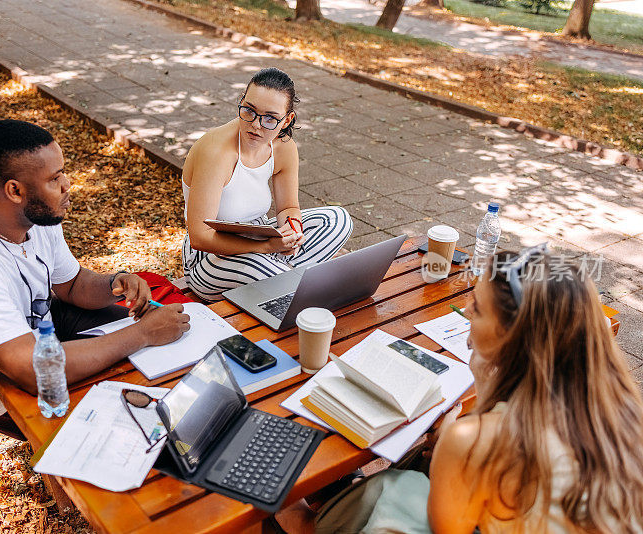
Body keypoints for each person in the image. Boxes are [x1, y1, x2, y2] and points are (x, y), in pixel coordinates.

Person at [308, 245, 643, 533]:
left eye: (478, 309)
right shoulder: (622, 412)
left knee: (395, 488)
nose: (466, 312)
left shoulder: (475, 439)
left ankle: (308, 518)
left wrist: (449, 447)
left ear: (514, 340)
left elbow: (448, 528)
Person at [0, 120, 190, 439]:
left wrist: (116, 282)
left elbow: (72, 285)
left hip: (45, 331)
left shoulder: (35, 219)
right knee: (122, 430)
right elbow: (34, 372)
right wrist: (142, 334)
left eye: (62, 172)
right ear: (15, 191)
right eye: (54, 178)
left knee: (168, 352)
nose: (67, 184)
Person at [181, 67, 352, 301]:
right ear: (241, 103)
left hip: (262, 238)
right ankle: (298, 287)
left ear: (287, 120)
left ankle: (281, 280)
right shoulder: (215, 151)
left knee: (337, 220)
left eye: (270, 118)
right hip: (207, 259)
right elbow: (200, 237)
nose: (256, 125)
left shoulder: (284, 147)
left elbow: (288, 209)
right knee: (260, 267)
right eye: (249, 111)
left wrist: (293, 232)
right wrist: (265, 249)